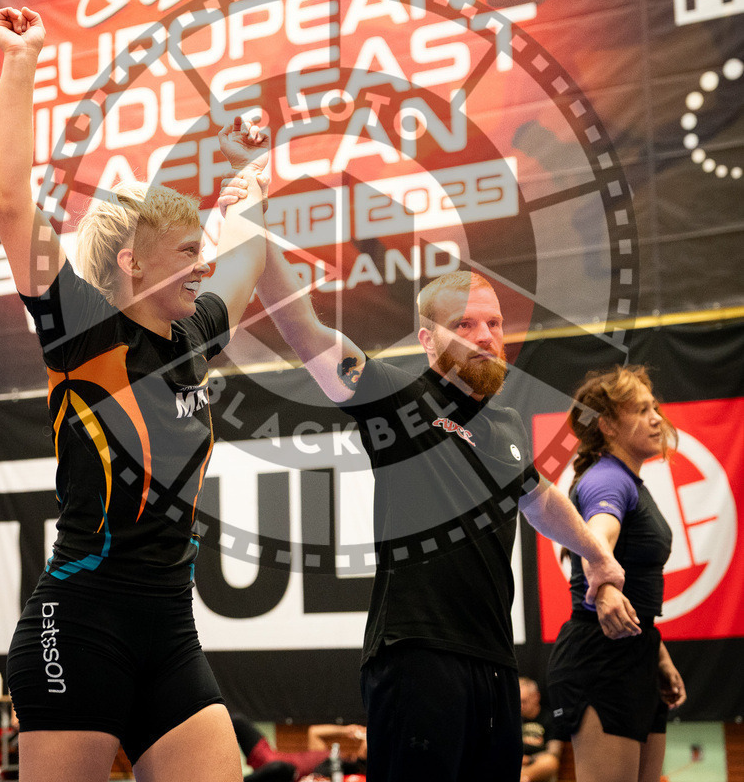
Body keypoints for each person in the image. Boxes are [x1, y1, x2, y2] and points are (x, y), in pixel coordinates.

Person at [216, 177, 631, 782]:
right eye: (466, 325)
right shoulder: (394, 395)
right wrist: (253, 235)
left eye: (493, 324)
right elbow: (306, 333)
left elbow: (540, 502)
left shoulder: (506, 426)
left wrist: (596, 558)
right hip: (416, 655)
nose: (487, 338)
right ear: (427, 339)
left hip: (493, 664)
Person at [0, 6, 268, 782]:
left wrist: (250, 187)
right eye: (186, 252)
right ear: (134, 266)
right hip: (77, 630)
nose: (203, 265)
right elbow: (9, 200)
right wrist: (22, 60)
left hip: (170, 632)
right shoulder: (84, 330)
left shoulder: (192, 336)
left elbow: (242, 263)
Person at [547, 365, 686, 782]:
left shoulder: (629, 481)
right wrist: (604, 586)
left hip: (636, 652)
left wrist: (657, 655)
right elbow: (597, 538)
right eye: (642, 410)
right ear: (607, 425)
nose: (657, 418)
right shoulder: (607, 480)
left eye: (655, 407)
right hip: (599, 658)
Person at [230, 714, 366, 780]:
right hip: (269, 756)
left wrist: (367, 737)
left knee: (283, 768)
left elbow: (365, 753)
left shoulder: (345, 771)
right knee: (237, 721)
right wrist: (347, 730)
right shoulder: (328, 753)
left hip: (282, 774)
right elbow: (314, 731)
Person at [519, 677, 562, 782]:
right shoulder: (512, 719)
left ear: (536, 697)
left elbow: (554, 753)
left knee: (550, 762)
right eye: (517, 702)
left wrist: (529, 760)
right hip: (515, 763)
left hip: (536, 764)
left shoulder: (550, 718)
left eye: (524, 701)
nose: (520, 706)